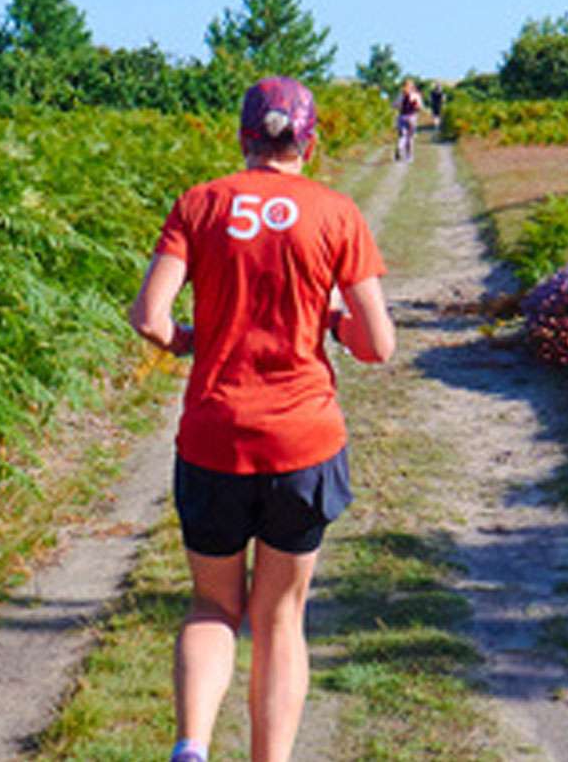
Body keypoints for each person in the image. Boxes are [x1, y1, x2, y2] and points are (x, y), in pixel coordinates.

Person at [129, 76, 396, 762]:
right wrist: (332, 323)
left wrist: (191, 340)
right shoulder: (337, 213)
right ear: (308, 140)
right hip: (302, 443)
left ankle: (191, 746)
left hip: (214, 437)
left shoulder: (200, 204)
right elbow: (378, 345)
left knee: (212, 607)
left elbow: (150, 319)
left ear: (244, 135)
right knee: (279, 619)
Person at [394, 79, 423, 162]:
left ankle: (399, 148)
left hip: (401, 117)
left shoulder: (400, 95)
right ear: (412, 86)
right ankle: (409, 156)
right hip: (411, 117)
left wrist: (397, 106)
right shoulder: (416, 95)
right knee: (410, 137)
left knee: (402, 136)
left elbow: (395, 105)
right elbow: (419, 107)